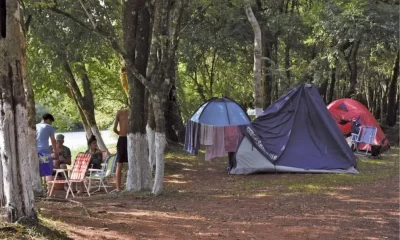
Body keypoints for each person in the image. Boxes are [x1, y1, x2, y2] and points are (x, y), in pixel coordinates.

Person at [36, 113, 57, 181]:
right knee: (47, 171)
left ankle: (40, 188)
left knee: (37, 171)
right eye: (51, 121)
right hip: (44, 151)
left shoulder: (35, 126)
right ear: (48, 119)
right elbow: (53, 140)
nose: (51, 123)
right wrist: (55, 150)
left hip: (35, 151)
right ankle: (49, 190)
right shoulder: (49, 127)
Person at [113, 108, 129, 192]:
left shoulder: (119, 112)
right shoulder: (133, 112)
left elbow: (114, 129)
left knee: (119, 164)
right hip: (129, 138)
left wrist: (121, 133)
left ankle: (118, 187)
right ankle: (119, 187)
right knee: (129, 163)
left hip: (122, 138)